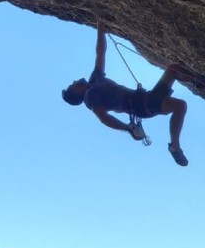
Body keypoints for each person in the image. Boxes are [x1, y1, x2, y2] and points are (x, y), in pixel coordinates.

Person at [61, 22, 192, 166]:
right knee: (180, 105)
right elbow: (103, 118)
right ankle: (175, 147)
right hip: (141, 105)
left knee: (173, 69)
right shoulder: (90, 97)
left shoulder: (95, 79)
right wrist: (127, 128)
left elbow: (100, 52)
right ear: (76, 92)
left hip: (145, 97)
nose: (74, 81)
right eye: (71, 85)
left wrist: (100, 27)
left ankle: (203, 83)